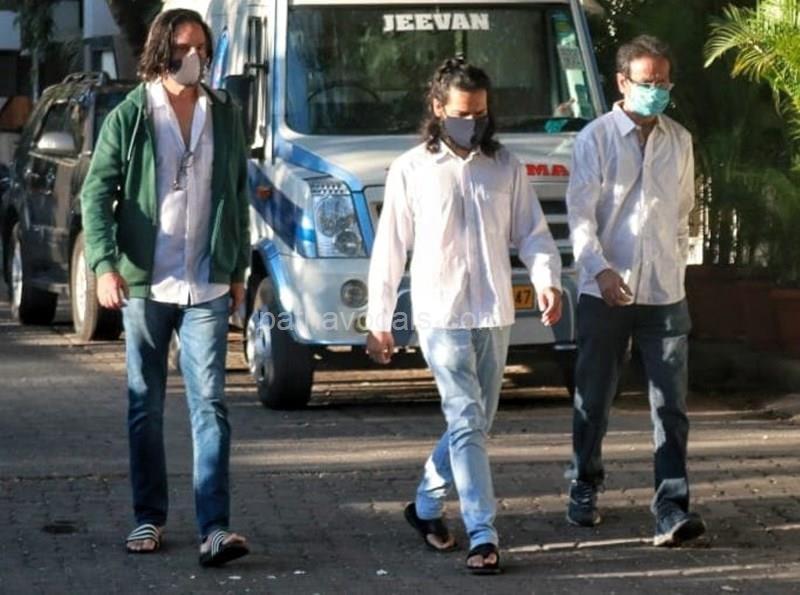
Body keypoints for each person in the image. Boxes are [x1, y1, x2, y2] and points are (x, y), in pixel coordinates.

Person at [366, 57, 562, 574]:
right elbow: (390, 249)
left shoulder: (505, 166)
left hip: (493, 310)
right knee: (468, 419)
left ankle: (425, 505)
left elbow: (533, 234)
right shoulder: (411, 169)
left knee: (474, 422)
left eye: (479, 114)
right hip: (440, 312)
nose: (471, 123)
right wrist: (379, 319)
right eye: (460, 114)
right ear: (437, 108)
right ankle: (483, 532)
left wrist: (547, 280)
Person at [81, 8, 251, 566]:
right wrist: (104, 265)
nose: (193, 57)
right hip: (146, 285)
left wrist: (237, 271)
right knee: (145, 406)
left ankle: (215, 527)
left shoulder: (223, 113)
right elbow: (95, 194)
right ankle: (148, 517)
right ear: (160, 52)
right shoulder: (131, 115)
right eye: (182, 48)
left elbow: (238, 193)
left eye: (200, 47)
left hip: (206, 282)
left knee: (212, 406)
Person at [565, 35, 706, 547]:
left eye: (663, 81)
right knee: (594, 398)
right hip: (605, 290)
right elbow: (580, 218)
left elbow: (682, 212)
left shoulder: (678, 140)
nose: (657, 90)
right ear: (622, 82)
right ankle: (584, 483)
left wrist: (677, 272)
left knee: (671, 406)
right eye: (648, 82)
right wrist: (600, 270)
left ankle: (671, 507)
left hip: (664, 293)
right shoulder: (596, 139)